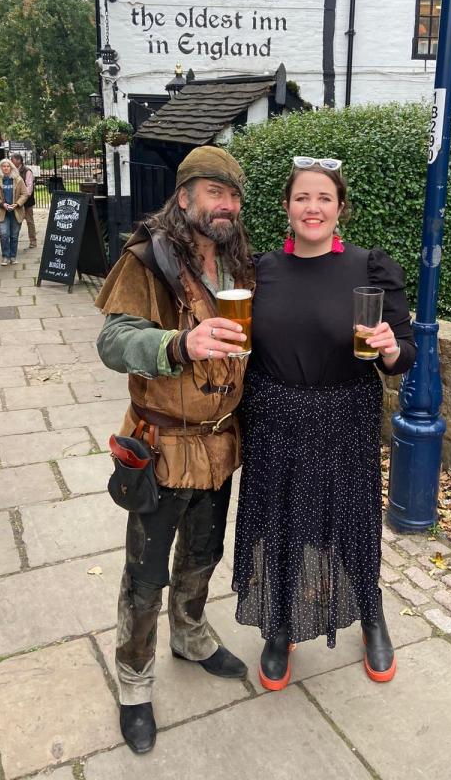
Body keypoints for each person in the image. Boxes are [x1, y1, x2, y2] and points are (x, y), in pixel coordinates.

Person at [232, 156, 416, 691]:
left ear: (340, 209)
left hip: (345, 413)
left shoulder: (369, 269)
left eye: (324, 199)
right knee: (277, 518)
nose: (312, 208)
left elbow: (404, 354)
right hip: (274, 414)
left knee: (352, 516)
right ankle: (278, 621)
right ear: (287, 207)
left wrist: (387, 350)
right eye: (301, 198)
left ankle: (371, 614)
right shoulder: (259, 271)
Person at [95, 146, 253, 756]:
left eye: (234, 196)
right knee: (145, 574)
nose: (227, 206)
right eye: (215, 193)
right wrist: (179, 344)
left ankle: (190, 635)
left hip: (218, 446)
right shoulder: (148, 258)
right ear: (184, 196)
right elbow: (113, 341)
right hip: (161, 445)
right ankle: (134, 685)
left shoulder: (238, 260)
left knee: (204, 555)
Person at [0, 159, 28, 265]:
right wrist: (2, 204)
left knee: (14, 235)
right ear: (1, 168)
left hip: (16, 211)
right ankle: (5, 256)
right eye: (3, 166)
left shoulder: (18, 179)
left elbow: (24, 194)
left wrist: (17, 204)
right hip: (2, 211)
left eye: (8, 166)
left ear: (11, 167)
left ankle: (13, 256)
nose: (6, 168)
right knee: (4, 234)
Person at [10, 153, 37, 247]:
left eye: (12, 160)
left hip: (27, 201)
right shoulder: (11, 171)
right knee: (16, 221)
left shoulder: (27, 171)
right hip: (15, 201)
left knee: (29, 221)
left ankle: (33, 241)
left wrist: (24, 198)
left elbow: (29, 187)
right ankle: (14, 241)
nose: (11, 161)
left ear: (18, 160)